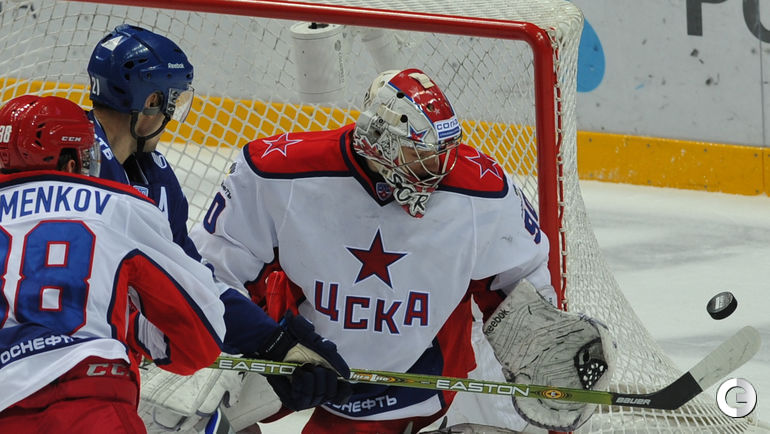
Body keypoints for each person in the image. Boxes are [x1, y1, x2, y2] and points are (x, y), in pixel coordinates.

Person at [189, 68, 612, 433]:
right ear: (378, 139)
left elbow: (519, 281)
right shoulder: (277, 171)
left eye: (445, 151)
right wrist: (269, 343)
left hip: (408, 373)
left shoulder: (483, 191)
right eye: (422, 153)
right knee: (181, 407)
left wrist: (545, 343)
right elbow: (209, 272)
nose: (441, 167)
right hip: (285, 347)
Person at [85, 24, 352, 432]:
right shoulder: (76, 161)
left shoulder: (153, 176)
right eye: (172, 101)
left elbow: (194, 280)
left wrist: (275, 343)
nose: (172, 116)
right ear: (151, 101)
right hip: (60, 366)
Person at [0, 94, 227, 432]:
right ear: (72, 163)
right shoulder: (120, 206)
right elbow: (202, 333)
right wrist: (130, 325)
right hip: (88, 401)